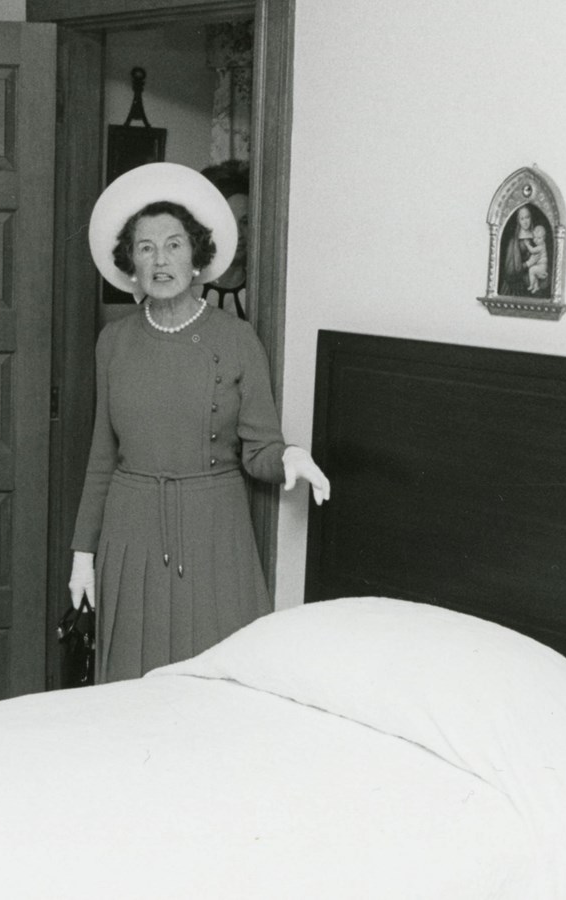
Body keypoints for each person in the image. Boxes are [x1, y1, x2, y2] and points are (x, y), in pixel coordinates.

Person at [69, 162, 329, 683]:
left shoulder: (236, 339)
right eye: (145, 248)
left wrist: (291, 457)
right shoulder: (113, 342)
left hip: (214, 531)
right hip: (131, 532)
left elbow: (260, 448)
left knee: (218, 683)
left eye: (174, 245)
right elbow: (102, 456)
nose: (160, 259)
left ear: (197, 257)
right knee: (132, 686)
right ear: (130, 263)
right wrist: (82, 555)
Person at [199, 159, 251, 321]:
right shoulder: (181, 290)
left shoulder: (262, 292)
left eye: (245, 222)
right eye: (227, 222)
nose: (238, 234)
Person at [500, 204, 536, 296]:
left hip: (533, 282)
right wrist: (528, 264)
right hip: (516, 287)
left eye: (527, 217)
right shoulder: (513, 242)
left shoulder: (537, 237)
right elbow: (509, 271)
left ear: (531, 218)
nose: (525, 222)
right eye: (522, 218)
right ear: (518, 221)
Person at [524, 222, 550, 295]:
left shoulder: (541, 247)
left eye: (539, 238)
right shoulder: (542, 244)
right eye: (534, 237)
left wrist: (527, 245)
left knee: (531, 270)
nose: (536, 240)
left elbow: (532, 250)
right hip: (541, 266)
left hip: (542, 267)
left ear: (544, 238)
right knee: (534, 273)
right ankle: (536, 287)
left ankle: (532, 285)